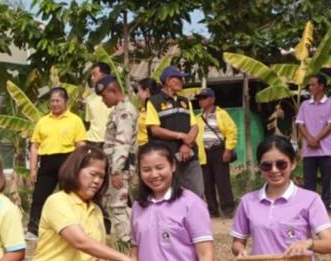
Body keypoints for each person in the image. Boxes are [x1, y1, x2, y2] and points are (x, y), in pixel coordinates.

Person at [26, 87, 87, 234]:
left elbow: (81, 146)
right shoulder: (42, 121)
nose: (55, 104)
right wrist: (33, 169)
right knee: (39, 197)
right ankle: (33, 229)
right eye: (52, 101)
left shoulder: (75, 120)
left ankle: (75, 227)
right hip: (46, 162)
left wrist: (79, 167)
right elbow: (34, 147)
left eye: (58, 101)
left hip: (68, 161)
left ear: (65, 101)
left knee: (70, 196)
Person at [142, 66, 204, 197]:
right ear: (169, 81)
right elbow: (155, 130)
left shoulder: (185, 101)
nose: (182, 82)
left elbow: (194, 126)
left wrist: (186, 144)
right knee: (173, 195)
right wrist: (181, 136)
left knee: (197, 193)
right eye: (179, 78)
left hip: (190, 155)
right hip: (168, 158)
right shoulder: (154, 102)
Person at [101, 75, 138, 245]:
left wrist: (116, 170)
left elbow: (123, 143)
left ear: (114, 91)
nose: (103, 100)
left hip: (120, 166)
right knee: (117, 205)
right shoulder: (118, 110)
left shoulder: (124, 112)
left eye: (104, 96)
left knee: (117, 206)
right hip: (117, 165)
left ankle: (127, 242)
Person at [294, 74, 331, 211]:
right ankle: (310, 207)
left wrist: (316, 139)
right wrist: (310, 139)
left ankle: (327, 207)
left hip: (325, 149)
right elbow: (300, 124)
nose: (310, 87)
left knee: (327, 180)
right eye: (309, 85)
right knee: (309, 181)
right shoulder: (305, 105)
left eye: (313, 85)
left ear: (321, 86)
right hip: (309, 150)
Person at [195, 87, 238, 218]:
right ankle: (212, 211)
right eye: (199, 98)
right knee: (207, 183)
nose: (201, 101)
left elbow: (232, 131)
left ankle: (228, 210)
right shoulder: (198, 117)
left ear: (212, 99)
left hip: (219, 150)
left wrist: (228, 150)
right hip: (204, 152)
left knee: (222, 181)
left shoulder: (222, 114)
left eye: (204, 97)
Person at [83, 61, 112, 146]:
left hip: (111, 142)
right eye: (91, 75)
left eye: (95, 74)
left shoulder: (116, 97)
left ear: (105, 76)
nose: (92, 78)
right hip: (92, 142)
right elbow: (89, 121)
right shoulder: (89, 98)